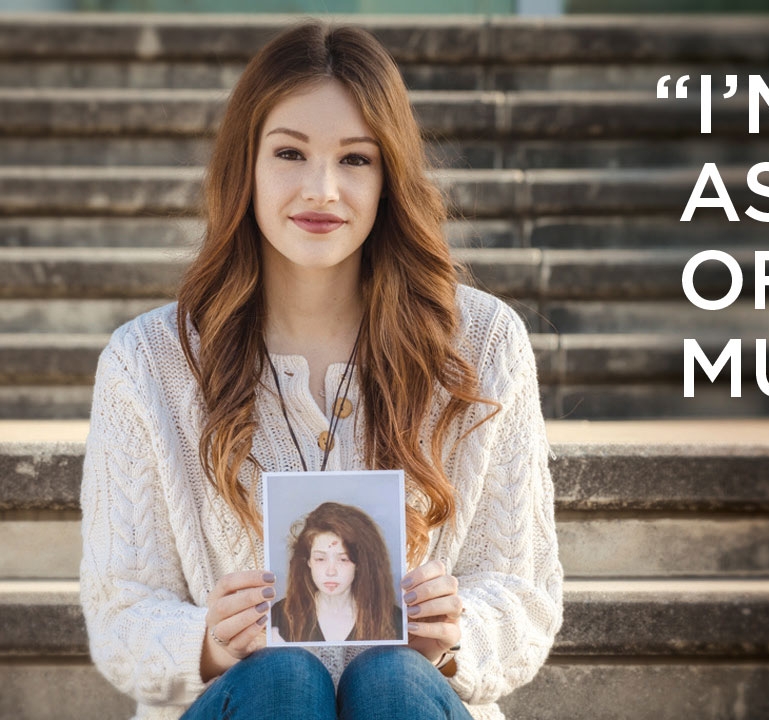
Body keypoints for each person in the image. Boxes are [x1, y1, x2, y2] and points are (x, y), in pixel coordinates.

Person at [78, 19, 564, 720]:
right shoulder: (147, 362)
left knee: (388, 678)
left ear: (390, 175)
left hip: (412, 702)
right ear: (244, 166)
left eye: (356, 159)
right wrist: (208, 641)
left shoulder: (482, 344)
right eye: (289, 153)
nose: (322, 189)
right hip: (245, 704)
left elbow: (524, 590)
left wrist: (460, 634)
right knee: (286, 680)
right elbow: (121, 608)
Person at [271, 502, 403, 644]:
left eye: (343, 559)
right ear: (308, 561)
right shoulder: (281, 615)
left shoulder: (392, 618)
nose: (331, 571)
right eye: (320, 559)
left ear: (359, 564)